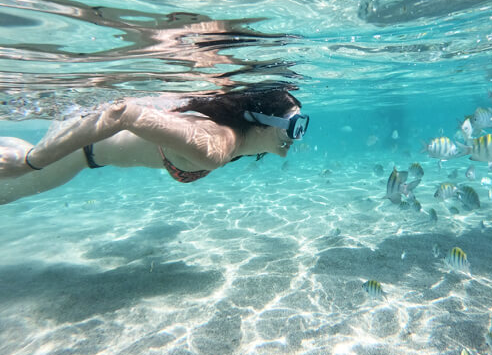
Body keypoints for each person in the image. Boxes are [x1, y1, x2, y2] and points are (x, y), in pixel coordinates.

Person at [0, 88, 309, 204]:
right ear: (264, 121)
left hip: (85, 148)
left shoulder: (235, 142)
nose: (297, 138)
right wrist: (33, 160)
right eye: (295, 127)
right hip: (79, 147)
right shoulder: (214, 147)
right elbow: (123, 113)